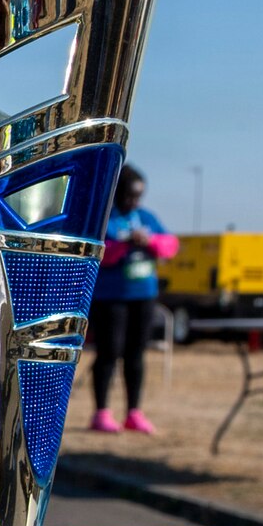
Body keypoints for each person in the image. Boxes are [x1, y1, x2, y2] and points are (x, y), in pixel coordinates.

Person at [89, 166, 177, 434]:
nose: (134, 201)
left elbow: (170, 246)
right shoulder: (106, 218)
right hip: (111, 298)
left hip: (143, 296)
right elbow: (101, 253)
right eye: (129, 195)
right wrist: (126, 243)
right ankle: (102, 413)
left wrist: (149, 242)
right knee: (109, 352)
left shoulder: (146, 217)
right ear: (118, 193)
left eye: (138, 196)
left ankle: (133, 412)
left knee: (136, 354)